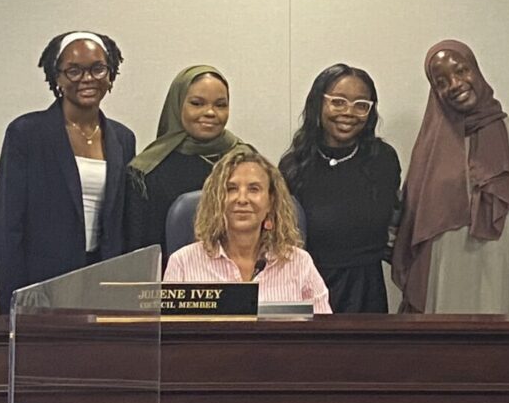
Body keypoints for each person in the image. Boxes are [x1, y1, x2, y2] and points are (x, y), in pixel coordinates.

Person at [393, 40, 509, 314]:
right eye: (441, 81)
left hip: (499, 287)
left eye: (461, 71)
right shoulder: (430, 149)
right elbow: (413, 227)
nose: (454, 84)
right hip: (439, 287)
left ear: (476, 70)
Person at [0, 30, 136, 314]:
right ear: (56, 77)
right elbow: (8, 227)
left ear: (111, 75)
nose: (87, 79)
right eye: (73, 71)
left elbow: (125, 221)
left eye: (97, 69)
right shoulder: (27, 134)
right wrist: (12, 304)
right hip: (44, 288)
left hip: (104, 285)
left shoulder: (123, 138)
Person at [279, 64, 401, 313]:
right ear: (318, 103)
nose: (349, 112)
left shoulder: (383, 160)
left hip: (366, 288)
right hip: (307, 286)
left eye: (361, 105)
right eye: (338, 102)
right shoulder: (294, 165)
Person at [163, 146, 332, 313]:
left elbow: (324, 335)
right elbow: (170, 335)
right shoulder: (183, 263)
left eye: (254, 189)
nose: (242, 199)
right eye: (231, 189)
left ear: (271, 202)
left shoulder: (299, 263)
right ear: (217, 200)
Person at [125, 64, 245, 261]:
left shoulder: (245, 161)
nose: (210, 112)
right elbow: (140, 254)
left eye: (220, 105)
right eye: (197, 103)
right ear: (177, 104)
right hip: (171, 284)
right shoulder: (148, 170)